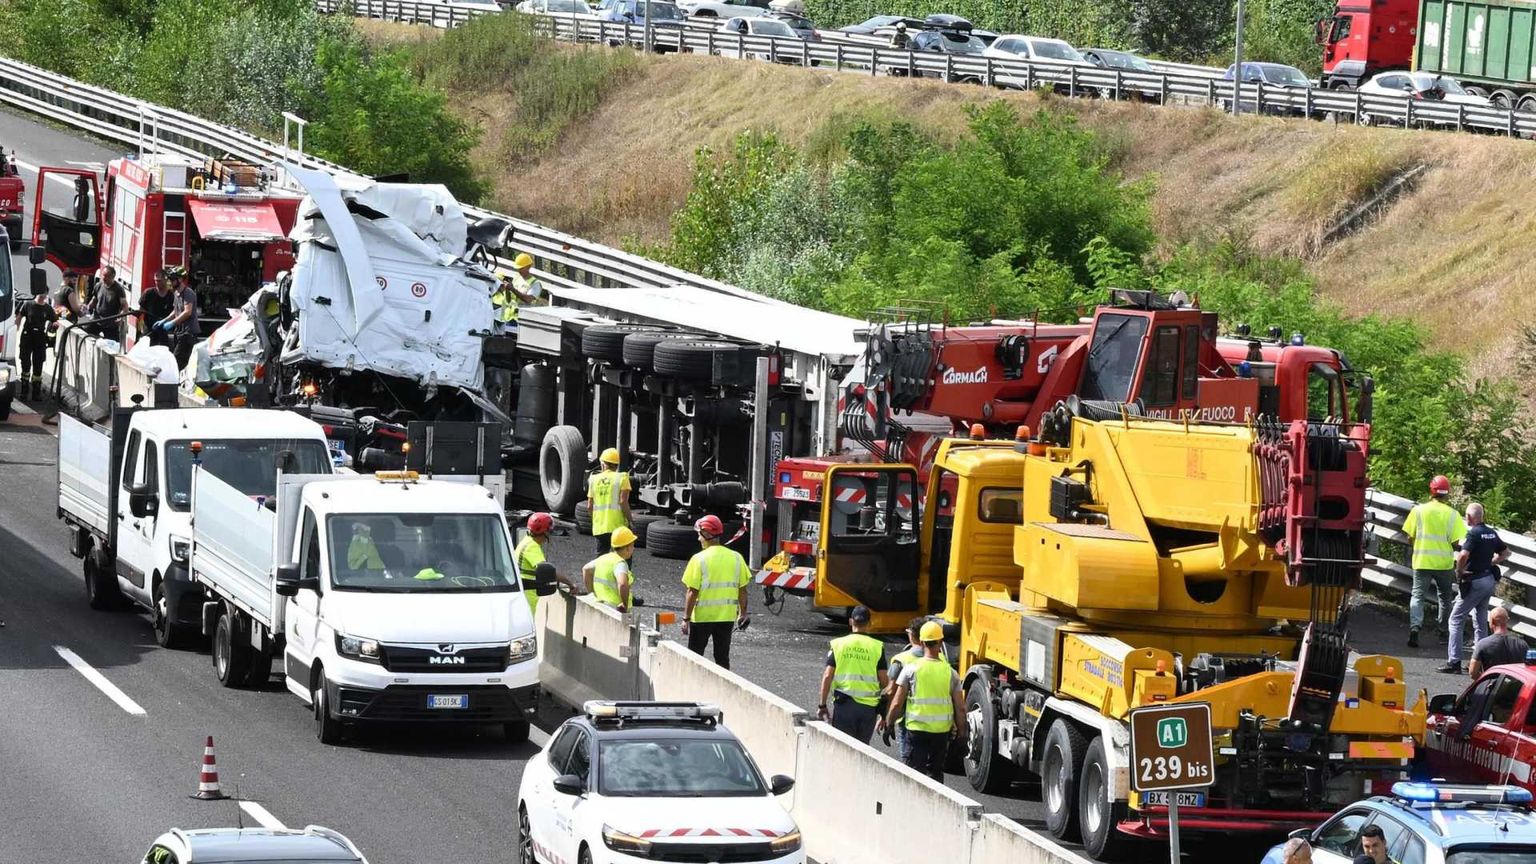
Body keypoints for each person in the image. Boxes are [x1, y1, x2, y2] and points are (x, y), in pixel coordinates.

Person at [877, 621, 964, 782]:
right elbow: (960, 708)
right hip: (940, 733)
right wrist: (962, 735)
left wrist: (889, 724)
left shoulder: (911, 669)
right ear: (940, 642)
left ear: (922, 642)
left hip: (916, 730)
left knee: (914, 776)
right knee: (935, 775)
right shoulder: (951, 672)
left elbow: (896, 703)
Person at [1440, 502, 1507, 674]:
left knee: (1455, 619)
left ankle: (1454, 662)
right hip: (1488, 579)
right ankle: (1480, 662)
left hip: (1475, 582)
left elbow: (1463, 555)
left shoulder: (1474, 533)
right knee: (1480, 619)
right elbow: (1506, 552)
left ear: (1469, 517)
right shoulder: (1491, 533)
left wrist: (1459, 570)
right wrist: (1491, 562)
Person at [681, 514, 751, 669]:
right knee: (722, 658)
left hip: (702, 618)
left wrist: (685, 618)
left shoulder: (698, 559)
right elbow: (742, 590)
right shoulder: (737, 558)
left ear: (706, 534)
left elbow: (692, 592)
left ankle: (693, 689)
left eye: (700, 535)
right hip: (726, 617)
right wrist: (743, 613)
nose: (699, 539)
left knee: (694, 658)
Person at [1403, 475, 1465, 648]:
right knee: (1445, 598)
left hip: (1422, 561)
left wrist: (1419, 544)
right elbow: (1455, 543)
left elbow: (1409, 537)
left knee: (1417, 596)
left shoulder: (1418, 511)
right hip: (1444, 564)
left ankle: (1415, 628)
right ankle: (1443, 631)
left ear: (1431, 490)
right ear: (1447, 493)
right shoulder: (1453, 515)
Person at [818, 605, 889, 744]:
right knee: (862, 751)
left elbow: (827, 676)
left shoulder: (839, 644)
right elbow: (885, 682)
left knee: (843, 749)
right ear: (869, 623)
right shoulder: (877, 647)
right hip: (868, 710)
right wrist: (884, 712)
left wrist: (822, 705)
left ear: (851, 621)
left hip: (844, 707)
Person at [884, 616, 931, 759]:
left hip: (909, 719)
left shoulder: (901, 660)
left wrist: (887, 719)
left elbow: (891, 692)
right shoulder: (942, 662)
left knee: (910, 761)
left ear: (910, 634)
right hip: (936, 723)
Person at [516, 512, 580, 613]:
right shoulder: (532, 547)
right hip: (527, 598)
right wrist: (570, 583)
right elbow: (549, 572)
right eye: (549, 532)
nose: (550, 535)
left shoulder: (525, 541)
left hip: (522, 595)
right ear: (545, 532)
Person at [586, 447, 632, 553]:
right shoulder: (622, 478)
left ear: (602, 463)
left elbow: (589, 506)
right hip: (618, 527)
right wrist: (630, 519)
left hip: (600, 528)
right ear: (616, 465)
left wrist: (596, 519)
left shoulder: (593, 479)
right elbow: (623, 502)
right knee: (622, 558)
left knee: (601, 559)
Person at [14, 290, 57, 401]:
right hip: (27, 337)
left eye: (45, 292)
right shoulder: (28, 305)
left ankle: (36, 393)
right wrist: (15, 330)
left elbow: (55, 321)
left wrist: (54, 325)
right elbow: (19, 317)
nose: (43, 294)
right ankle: (24, 391)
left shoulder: (48, 308)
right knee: (25, 363)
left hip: (40, 339)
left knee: (38, 366)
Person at [583, 525, 637, 611]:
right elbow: (622, 584)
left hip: (599, 606)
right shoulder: (620, 564)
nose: (633, 548)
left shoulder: (603, 558)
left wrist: (592, 594)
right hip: (615, 609)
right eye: (632, 546)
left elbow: (586, 569)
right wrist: (625, 604)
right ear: (627, 548)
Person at [1470, 606, 1527, 679]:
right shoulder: (1522, 644)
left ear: (1492, 621)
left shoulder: (1483, 644)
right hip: (1515, 688)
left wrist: (1485, 681)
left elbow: (1472, 672)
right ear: (1508, 620)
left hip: (1492, 687)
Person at [157, 266, 198, 368]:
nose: (170, 282)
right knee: (182, 363)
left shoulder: (188, 293)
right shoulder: (176, 293)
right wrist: (164, 320)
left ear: (180, 279)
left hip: (188, 334)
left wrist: (172, 323)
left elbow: (187, 312)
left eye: (172, 279)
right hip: (179, 333)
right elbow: (176, 311)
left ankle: (174, 383)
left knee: (176, 361)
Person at [139, 268, 177, 348]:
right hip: (149, 329)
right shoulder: (148, 293)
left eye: (159, 281)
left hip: (163, 330)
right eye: (155, 280)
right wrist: (140, 324)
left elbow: (175, 312)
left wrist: (168, 323)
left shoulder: (171, 296)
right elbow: (141, 310)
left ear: (166, 280)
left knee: (163, 351)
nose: (157, 283)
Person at [86, 266, 126, 340]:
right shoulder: (99, 285)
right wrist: (88, 306)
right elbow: (94, 299)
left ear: (113, 276)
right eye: (103, 275)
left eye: (107, 276)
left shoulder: (118, 289)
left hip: (110, 324)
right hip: (97, 319)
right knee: (85, 335)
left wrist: (121, 317)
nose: (104, 278)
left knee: (113, 346)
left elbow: (125, 306)